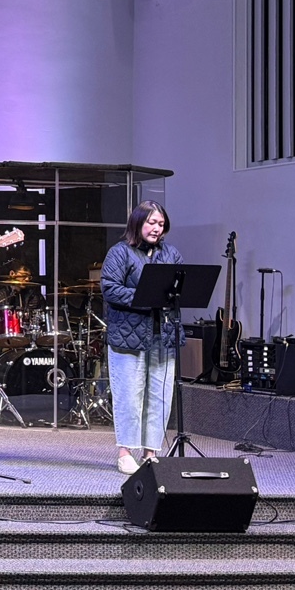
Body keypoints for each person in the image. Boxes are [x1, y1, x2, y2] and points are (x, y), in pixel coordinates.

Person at [100, 200, 184, 474]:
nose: (157, 228)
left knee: (159, 396)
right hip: (129, 337)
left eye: (161, 224)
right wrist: (145, 297)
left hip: (163, 335)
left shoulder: (171, 254)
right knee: (130, 396)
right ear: (138, 222)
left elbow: (181, 288)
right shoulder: (120, 252)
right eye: (152, 222)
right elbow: (110, 289)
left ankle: (151, 452)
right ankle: (125, 453)